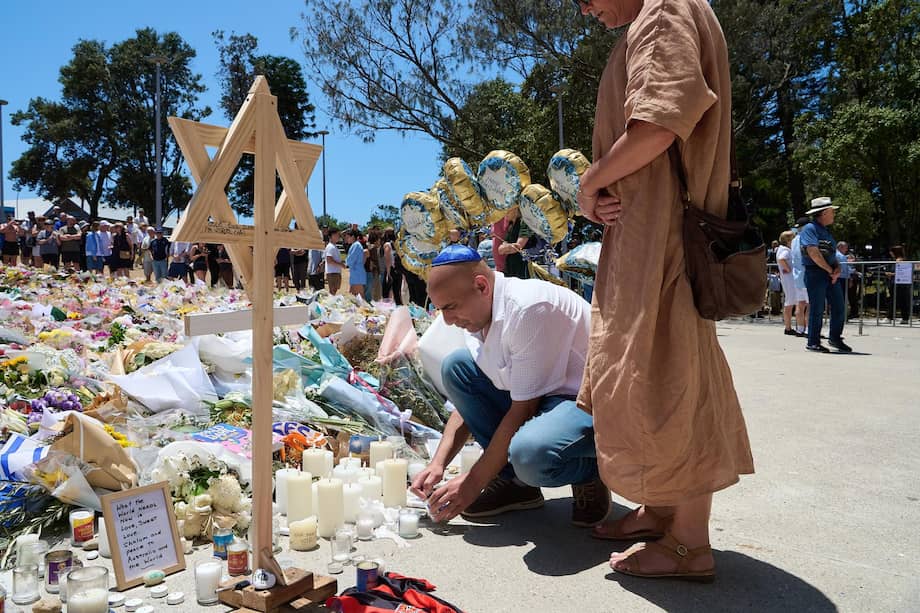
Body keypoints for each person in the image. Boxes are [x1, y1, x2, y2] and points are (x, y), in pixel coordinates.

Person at [574, 0, 754, 581]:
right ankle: (660, 511)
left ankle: (689, 544)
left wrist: (590, 182)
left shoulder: (664, 9)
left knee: (674, 375)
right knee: (650, 378)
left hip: (664, 242)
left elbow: (660, 122)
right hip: (646, 239)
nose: (585, 8)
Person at [411, 245, 609, 528]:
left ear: (481, 286)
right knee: (456, 367)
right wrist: (437, 464)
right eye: (441, 309)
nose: (448, 320)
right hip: (542, 398)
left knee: (530, 453)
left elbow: (523, 409)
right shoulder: (483, 313)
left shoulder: (528, 308)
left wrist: (472, 484)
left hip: (584, 401)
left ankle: (590, 473)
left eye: (451, 307)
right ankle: (515, 484)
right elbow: (466, 407)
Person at [799, 197, 850, 353]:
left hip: (828, 273)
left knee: (839, 306)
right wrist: (830, 270)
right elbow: (813, 252)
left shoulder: (826, 231)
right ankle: (813, 341)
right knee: (817, 308)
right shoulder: (810, 228)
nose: (834, 214)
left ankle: (835, 338)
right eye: (831, 211)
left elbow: (830, 253)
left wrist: (837, 268)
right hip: (816, 274)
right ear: (824, 213)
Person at [776, 231, 805, 336]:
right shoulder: (786, 250)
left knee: (789, 303)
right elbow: (781, 259)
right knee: (790, 303)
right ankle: (788, 327)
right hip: (789, 280)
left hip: (788, 279)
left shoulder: (782, 249)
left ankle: (788, 327)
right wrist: (787, 268)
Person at [497, 208, 533, 280]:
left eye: (507, 211)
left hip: (523, 266)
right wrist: (508, 247)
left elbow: (518, 246)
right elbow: (500, 250)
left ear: (515, 209)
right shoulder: (510, 225)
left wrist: (507, 247)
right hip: (511, 266)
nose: (504, 214)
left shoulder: (525, 223)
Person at [789, 217, 811, 336]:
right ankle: (808, 329)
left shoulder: (793, 240)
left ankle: (800, 328)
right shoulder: (807, 238)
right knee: (810, 305)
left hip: (797, 276)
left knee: (800, 304)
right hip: (807, 275)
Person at [887, 245, 911, 324]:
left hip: (898, 283)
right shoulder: (902, 260)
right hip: (901, 283)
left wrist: (891, 274)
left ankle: (889, 317)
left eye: (892, 252)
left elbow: (901, 272)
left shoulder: (899, 260)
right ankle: (905, 318)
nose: (891, 254)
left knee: (894, 300)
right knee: (902, 301)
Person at [344, 229, 367, 296]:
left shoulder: (356, 245)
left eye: (347, 237)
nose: (346, 239)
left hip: (357, 274)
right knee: (354, 296)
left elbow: (351, 259)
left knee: (359, 296)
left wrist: (345, 263)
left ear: (353, 237)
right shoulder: (355, 245)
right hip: (356, 273)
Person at [382, 228, 402, 304]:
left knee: (385, 292)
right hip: (398, 270)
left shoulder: (387, 245)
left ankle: (386, 309)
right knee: (397, 291)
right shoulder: (397, 244)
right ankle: (399, 308)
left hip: (390, 269)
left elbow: (388, 259)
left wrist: (388, 273)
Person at [324, 228, 344, 295]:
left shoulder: (333, 246)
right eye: (336, 235)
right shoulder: (330, 247)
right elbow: (329, 260)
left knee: (333, 292)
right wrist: (340, 264)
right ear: (330, 236)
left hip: (334, 272)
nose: (338, 236)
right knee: (332, 292)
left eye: (338, 235)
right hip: (332, 272)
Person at [365, 228, 383, 301]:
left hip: (370, 271)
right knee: (375, 290)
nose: (380, 240)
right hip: (373, 271)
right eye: (379, 238)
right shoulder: (373, 248)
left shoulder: (368, 246)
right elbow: (373, 261)